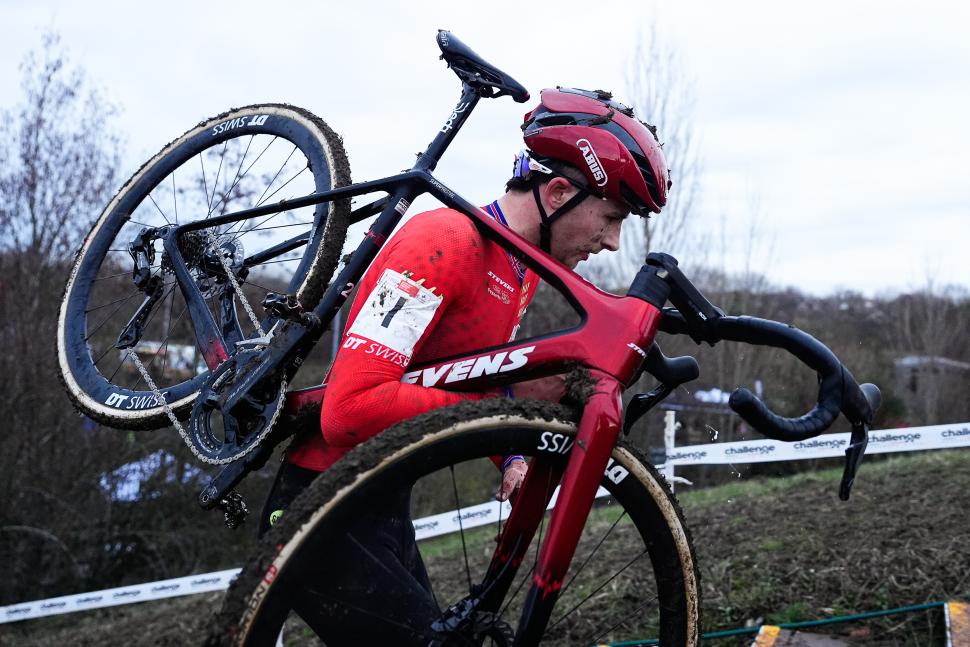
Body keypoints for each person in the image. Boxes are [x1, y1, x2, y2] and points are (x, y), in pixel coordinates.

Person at [258, 87, 670, 645]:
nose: (612, 241)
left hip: (382, 494)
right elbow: (350, 410)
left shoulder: (520, 272)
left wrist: (511, 454)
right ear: (558, 191)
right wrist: (501, 423)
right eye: (611, 218)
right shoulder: (444, 240)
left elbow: (457, 381)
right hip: (319, 498)